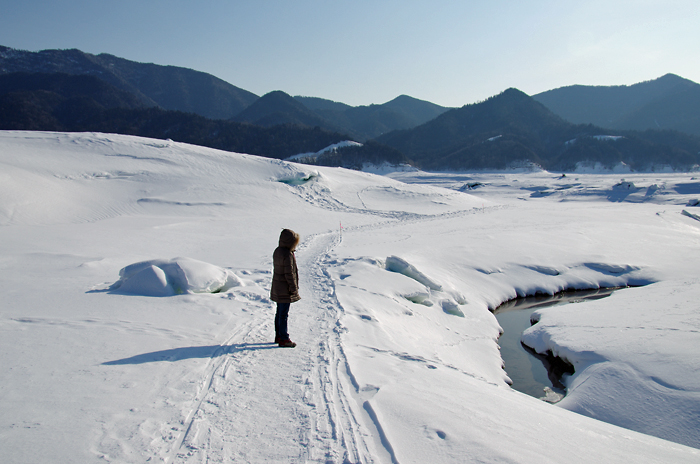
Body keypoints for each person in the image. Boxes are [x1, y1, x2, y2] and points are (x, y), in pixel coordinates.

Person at [270, 229, 300, 348]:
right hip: (285, 289)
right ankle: (284, 338)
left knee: (279, 313)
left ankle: (278, 335)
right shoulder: (287, 254)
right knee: (283, 314)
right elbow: (289, 274)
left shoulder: (278, 251)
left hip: (278, 287)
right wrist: (293, 289)